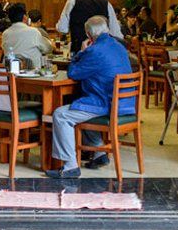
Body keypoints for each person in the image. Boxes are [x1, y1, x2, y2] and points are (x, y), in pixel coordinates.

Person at [45, 16, 134, 179]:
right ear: (107, 29)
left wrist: (81, 52)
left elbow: (73, 73)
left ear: (88, 35)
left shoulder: (94, 51)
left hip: (105, 103)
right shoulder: (120, 46)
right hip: (125, 103)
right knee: (81, 110)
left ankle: (70, 166)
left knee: (61, 115)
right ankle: (99, 153)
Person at [56, 0, 124, 54]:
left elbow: (62, 29)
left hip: (78, 51)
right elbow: (116, 33)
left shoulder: (73, 0)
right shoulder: (106, 4)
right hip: (100, 53)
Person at [2, 3, 53, 70]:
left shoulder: (5, 34)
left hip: (11, 73)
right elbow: (48, 48)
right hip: (32, 73)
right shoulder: (33, 32)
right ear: (25, 17)